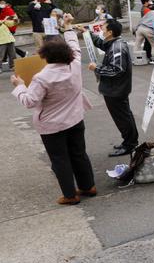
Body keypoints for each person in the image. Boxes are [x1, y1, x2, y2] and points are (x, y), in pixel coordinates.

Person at [11, 29, 96, 204]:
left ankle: (70, 195)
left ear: (46, 57)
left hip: (52, 125)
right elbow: (76, 48)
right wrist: (69, 29)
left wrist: (19, 86)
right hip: (76, 118)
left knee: (60, 159)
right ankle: (88, 186)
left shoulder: (42, 77)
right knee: (79, 154)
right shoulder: (74, 65)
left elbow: (29, 101)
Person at [85, 19, 138, 157]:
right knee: (124, 116)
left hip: (116, 90)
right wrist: (87, 33)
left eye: (103, 29)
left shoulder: (117, 47)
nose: (101, 31)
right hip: (114, 89)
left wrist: (97, 67)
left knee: (123, 117)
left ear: (110, 32)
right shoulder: (113, 43)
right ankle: (130, 141)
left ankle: (130, 144)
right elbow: (102, 44)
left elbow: (117, 69)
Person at [0, 0, 18, 71]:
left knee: (12, 54)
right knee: (0, 55)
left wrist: (15, 20)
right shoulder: (2, 21)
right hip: (1, 40)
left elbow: (11, 24)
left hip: (9, 39)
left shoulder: (3, 21)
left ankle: (13, 66)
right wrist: (4, 19)